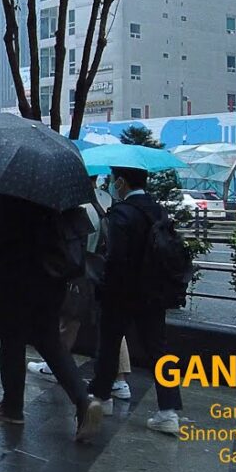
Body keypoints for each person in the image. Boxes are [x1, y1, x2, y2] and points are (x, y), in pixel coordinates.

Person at [0, 194, 102, 442]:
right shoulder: (57, 190)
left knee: (12, 340)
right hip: (52, 276)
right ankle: (83, 400)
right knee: (49, 339)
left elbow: (1, 230)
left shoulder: (13, 188)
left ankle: (12, 407)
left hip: (16, 276)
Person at [88, 167, 184, 435]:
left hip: (121, 293)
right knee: (158, 350)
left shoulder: (121, 214)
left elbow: (116, 258)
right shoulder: (157, 210)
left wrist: (105, 287)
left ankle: (102, 398)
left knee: (108, 344)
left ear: (121, 182)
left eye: (112, 181)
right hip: (154, 293)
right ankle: (168, 411)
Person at [28, 178, 132, 401]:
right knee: (109, 328)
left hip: (81, 274)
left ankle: (55, 365)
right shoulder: (103, 204)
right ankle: (120, 379)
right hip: (99, 272)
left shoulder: (80, 207)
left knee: (68, 321)